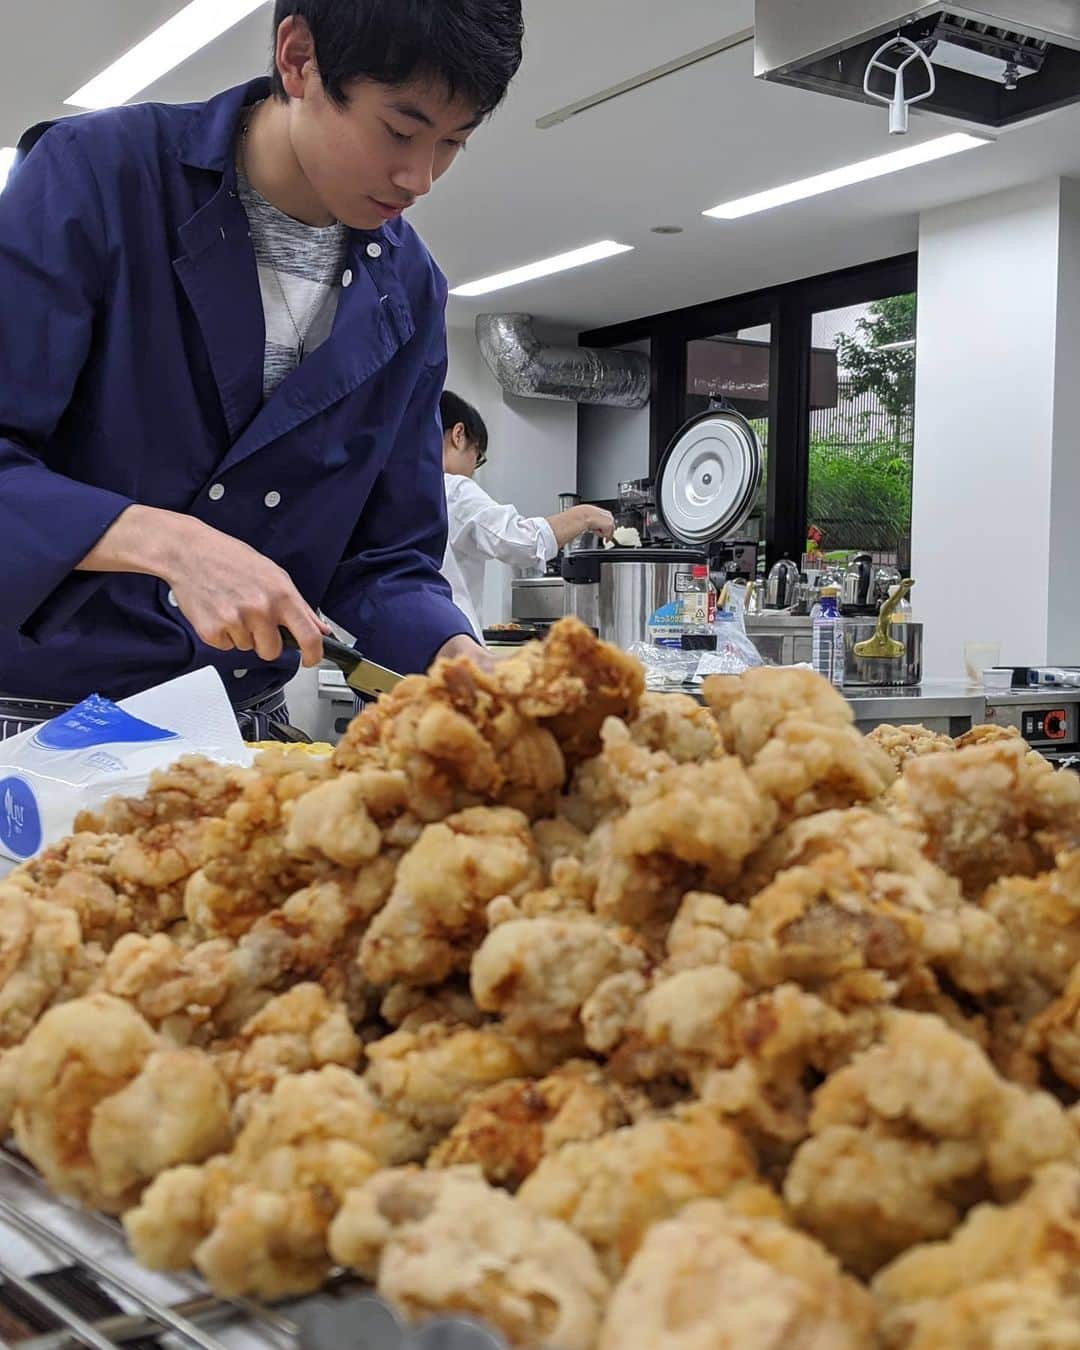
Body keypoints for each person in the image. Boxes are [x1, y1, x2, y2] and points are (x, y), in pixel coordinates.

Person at [0, 0, 523, 740]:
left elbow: (387, 558)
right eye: (401, 131)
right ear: (299, 57)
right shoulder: (97, 177)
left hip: (248, 729)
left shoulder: (409, 289)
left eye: (454, 144)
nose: (421, 177)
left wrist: (453, 654)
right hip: (42, 727)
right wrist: (167, 543)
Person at [440, 391, 615, 639]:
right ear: (458, 435)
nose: (472, 470)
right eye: (476, 456)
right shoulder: (453, 490)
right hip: (449, 647)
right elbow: (522, 542)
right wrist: (584, 515)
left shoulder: (401, 489)